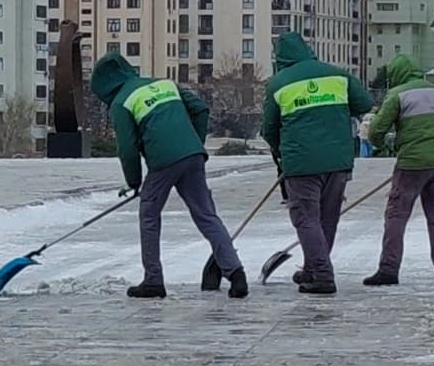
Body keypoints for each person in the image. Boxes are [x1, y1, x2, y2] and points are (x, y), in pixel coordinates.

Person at [91, 51, 246, 299]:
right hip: (194, 155)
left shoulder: (122, 102)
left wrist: (134, 182)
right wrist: (193, 142)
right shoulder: (164, 83)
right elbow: (200, 109)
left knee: (149, 215)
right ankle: (236, 274)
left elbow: (127, 148)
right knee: (206, 215)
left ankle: (153, 280)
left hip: (163, 161)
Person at [261, 33, 373, 296]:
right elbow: (365, 103)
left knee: (306, 218)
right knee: (327, 218)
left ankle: (322, 276)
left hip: (301, 162)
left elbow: (269, 129)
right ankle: (312, 268)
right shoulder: (337, 75)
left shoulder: (278, 83)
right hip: (338, 160)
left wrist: (281, 153)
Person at [365, 54, 434, 286]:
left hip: (412, 164)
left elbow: (376, 130)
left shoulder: (397, 94)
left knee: (397, 216)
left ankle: (388, 270)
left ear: (395, 75)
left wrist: (383, 145)